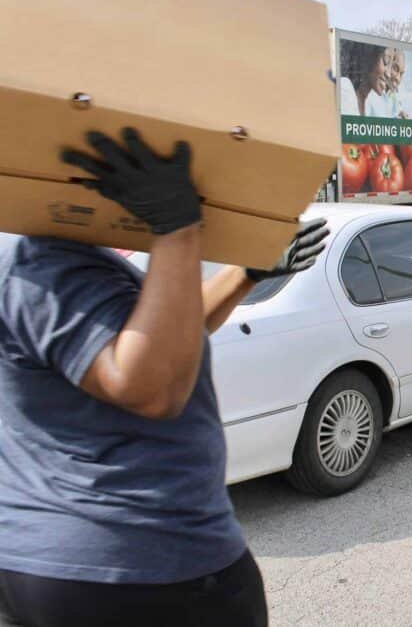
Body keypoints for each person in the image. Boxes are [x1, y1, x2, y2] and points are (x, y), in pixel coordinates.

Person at [0, 128, 329, 626]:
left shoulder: (77, 255)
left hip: (100, 565)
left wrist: (246, 273)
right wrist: (177, 228)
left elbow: (171, 338)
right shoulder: (45, 259)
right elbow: (149, 386)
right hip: (136, 566)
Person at [338, 40, 388, 116]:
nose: (388, 73)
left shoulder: (368, 105)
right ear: (371, 58)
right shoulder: (345, 86)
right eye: (385, 61)